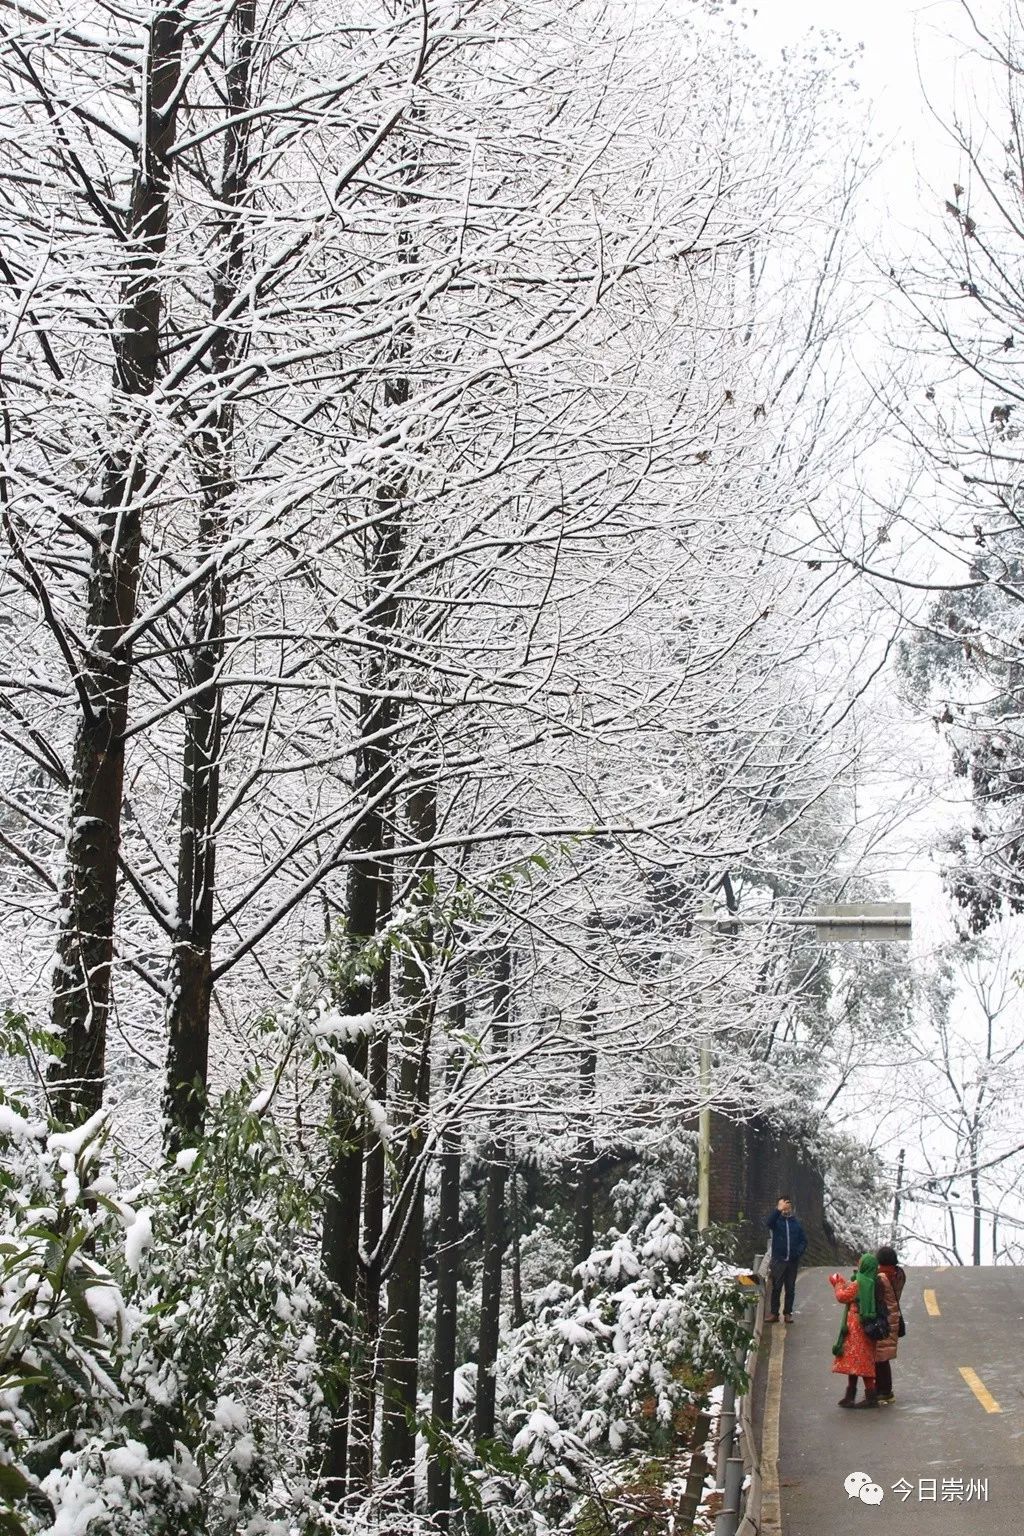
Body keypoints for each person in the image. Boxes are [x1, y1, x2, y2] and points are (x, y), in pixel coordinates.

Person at [829, 1254, 882, 1408]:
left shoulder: (859, 1283)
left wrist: (837, 1283)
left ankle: (860, 1396)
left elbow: (842, 1296)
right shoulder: (872, 1282)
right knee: (861, 1361)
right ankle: (858, 1396)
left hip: (855, 1327)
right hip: (868, 1326)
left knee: (855, 1361)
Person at [873, 1244, 907, 1404]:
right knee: (883, 1356)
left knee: (880, 1357)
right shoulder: (898, 1274)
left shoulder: (881, 1278)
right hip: (894, 1318)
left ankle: (883, 1392)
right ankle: (885, 1391)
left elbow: (878, 1299)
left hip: (884, 1320)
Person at [766, 1195, 808, 1322]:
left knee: (790, 1288)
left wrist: (798, 1252)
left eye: (787, 1205)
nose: (785, 1208)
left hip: (792, 1262)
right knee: (776, 1287)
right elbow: (768, 1223)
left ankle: (787, 1313)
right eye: (782, 1206)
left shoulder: (795, 1223)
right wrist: (778, 1210)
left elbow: (804, 1240)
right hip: (778, 1260)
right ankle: (774, 1313)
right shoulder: (776, 1221)